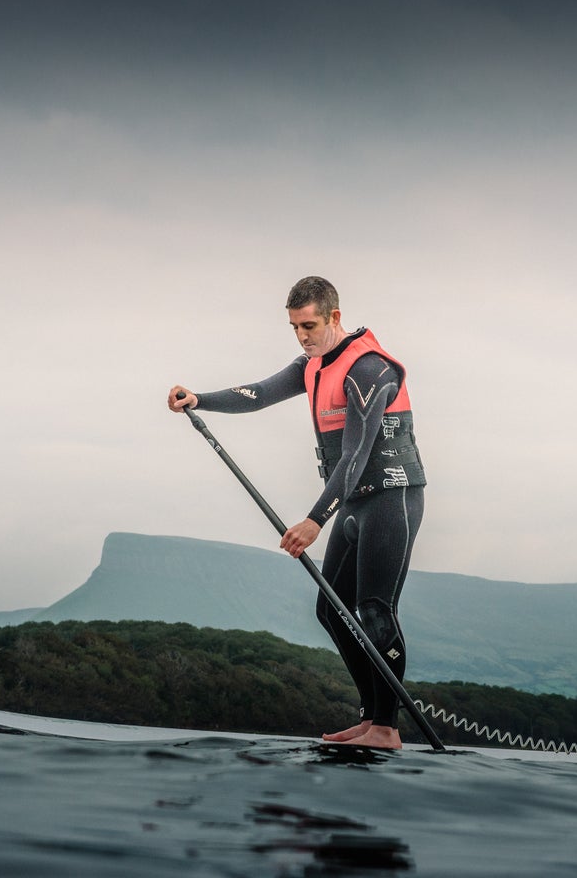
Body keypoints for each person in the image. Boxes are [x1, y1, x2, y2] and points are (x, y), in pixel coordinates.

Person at [167, 276, 426, 749]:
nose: (303, 336)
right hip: (350, 502)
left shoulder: (368, 370)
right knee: (332, 609)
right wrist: (200, 399)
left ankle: (387, 729)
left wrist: (313, 520)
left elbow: (354, 455)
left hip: (391, 498)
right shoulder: (312, 365)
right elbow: (260, 393)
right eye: (294, 327)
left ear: (335, 318)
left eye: (309, 325)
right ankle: (370, 718)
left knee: (373, 609)